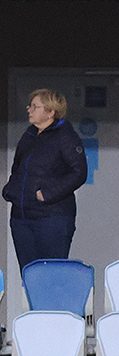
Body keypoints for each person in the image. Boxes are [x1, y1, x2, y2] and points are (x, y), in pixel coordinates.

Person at [5, 87, 86, 265]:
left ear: (50, 112)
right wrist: (11, 190)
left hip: (52, 219)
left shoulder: (65, 137)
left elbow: (79, 173)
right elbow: (17, 168)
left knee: (50, 273)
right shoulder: (29, 135)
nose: (29, 110)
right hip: (22, 218)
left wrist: (46, 194)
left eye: (35, 106)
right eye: (30, 106)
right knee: (29, 274)